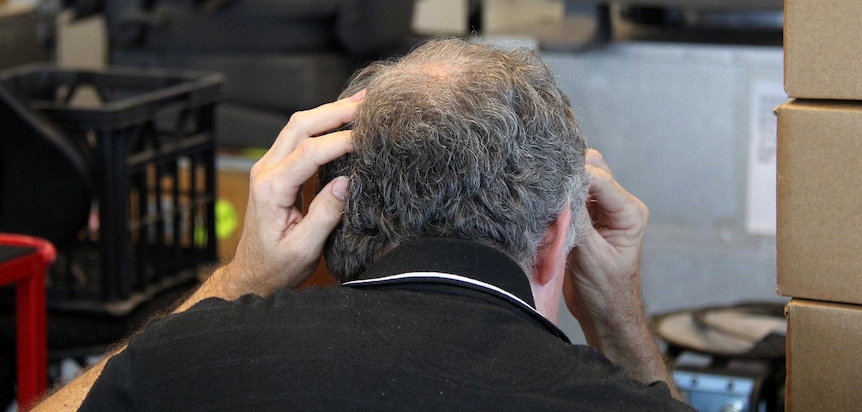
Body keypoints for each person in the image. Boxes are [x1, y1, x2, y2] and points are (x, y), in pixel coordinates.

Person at [36, 38, 693, 411]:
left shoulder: (187, 364)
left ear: (332, 221)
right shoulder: (615, 406)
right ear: (557, 241)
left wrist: (240, 278)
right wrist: (620, 321)